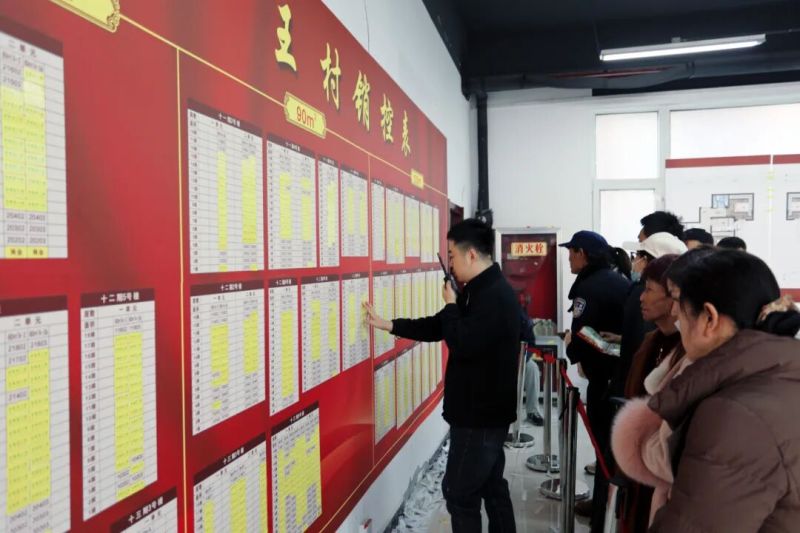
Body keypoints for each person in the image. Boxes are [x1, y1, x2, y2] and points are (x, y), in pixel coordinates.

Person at [613, 250, 800, 531]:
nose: (674, 313)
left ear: (709, 318)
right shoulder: (779, 376)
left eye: (680, 305)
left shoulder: (733, 414)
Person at [364, 218, 520, 532]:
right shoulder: (480, 289)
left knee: (459, 493)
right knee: (491, 486)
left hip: (479, 417)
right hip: (485, 414)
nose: (450, 263)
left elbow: (461, 341)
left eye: (451, 255)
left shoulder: (493, 297)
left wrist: (450, 305)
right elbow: (439, 326)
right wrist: (390, 325)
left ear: (471, 255)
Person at [560, 230, 630, 531]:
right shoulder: (619, 281)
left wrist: (571, 346)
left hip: (605, 381)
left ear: (583, 254)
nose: (568, 258)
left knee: (604, 452)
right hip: (620, 376)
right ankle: (602, 505)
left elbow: (585, 333)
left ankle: (601, 513)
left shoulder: (589, 287)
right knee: (610, 452)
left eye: (571, 251)